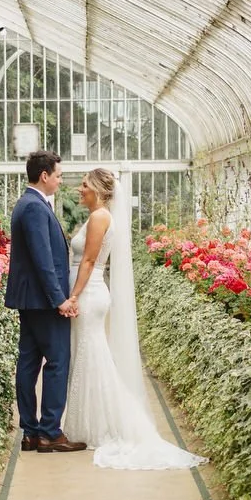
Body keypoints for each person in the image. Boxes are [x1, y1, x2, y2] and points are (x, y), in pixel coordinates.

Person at [62, 167, 207, 470]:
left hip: (88, 292)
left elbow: (89, 260)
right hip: (87, 291)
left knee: (91, 355)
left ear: (98, 190)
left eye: (85, 185)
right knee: (87, 354)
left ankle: (99, 425)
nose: (79, 189)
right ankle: (87, 422)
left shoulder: (100, 217)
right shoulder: (97, 215)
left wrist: (73, 296)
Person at [4, 150, 87, 453]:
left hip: (31, 300)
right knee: (57, 363)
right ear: (44, 175)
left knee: (28, 363)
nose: (60, 181)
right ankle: (50, 432)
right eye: (59, 176)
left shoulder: (28, 204)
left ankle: (30, 432)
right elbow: (43, 260)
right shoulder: (35, 207)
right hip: (43, 302)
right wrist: (59, 300)